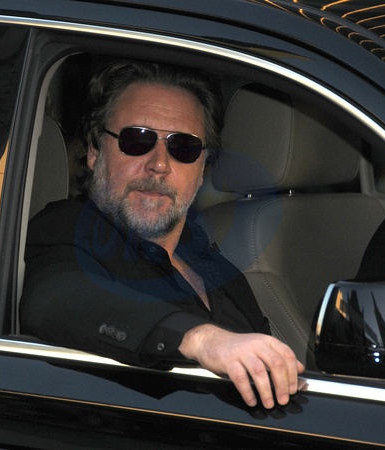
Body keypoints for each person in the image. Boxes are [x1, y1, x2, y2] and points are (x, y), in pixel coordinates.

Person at [20, 60, 304, 409]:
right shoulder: (64, 228)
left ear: (202, 168)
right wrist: (200, 340)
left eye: (184, 147)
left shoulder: (215, 265)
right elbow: (55, 299)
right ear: (94, 151)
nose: (159, 164)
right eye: (137, 139)